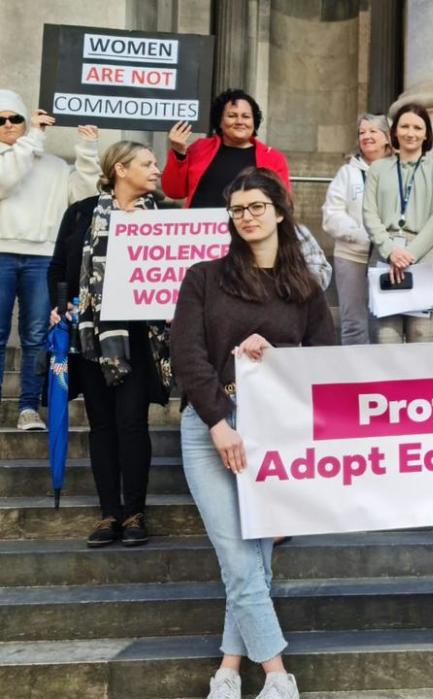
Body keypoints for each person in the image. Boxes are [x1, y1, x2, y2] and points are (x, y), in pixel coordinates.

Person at [171, 168, 333, 699]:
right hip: (209, 428)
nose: (247, 217)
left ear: (280, 212)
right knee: (239, 556)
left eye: (256, 207)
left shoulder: (303, 289)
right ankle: (278, 676)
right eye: (238, 209)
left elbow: (328, 364)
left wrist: (277, 356)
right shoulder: (204, 277)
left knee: (254, 558)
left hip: (274, 432)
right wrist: (218, 421)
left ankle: (228, 667)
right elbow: (187, 356)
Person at [47, 141, 170, 548]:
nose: (157, 169)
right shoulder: (82, 212)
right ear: (120, 169)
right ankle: (108, 515)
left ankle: (134, 512)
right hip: (88, 334)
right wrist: (59, 305)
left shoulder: (164, 216)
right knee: (101, 425)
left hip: (136, 337)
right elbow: (58, 267)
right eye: (148, 163)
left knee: (132, 423)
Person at [0, 89, 100, 431]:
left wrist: (87, 149)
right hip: (1, 253)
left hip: (41, 256)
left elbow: (85, 197)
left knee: (36, 335)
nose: (9, 125)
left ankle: (28, 407)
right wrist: (35, 138)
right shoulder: (13, 156)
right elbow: (5, 180)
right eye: (1, 119)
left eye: (16, 118)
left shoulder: (53, 165)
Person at [362, 101, 433, 343]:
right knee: (385, 339)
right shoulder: (378, 169)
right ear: (394, 132)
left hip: (425, 253)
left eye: (417, 127)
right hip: (384, 253)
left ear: (426, 134)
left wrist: (409, 254)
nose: (410, 133)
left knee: (423, 339)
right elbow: (369, 213)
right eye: (404, 126)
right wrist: (391, 251)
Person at [322, 114, 391, 344]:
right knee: (353, 323)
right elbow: (331, 215)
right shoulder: (347, 173)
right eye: (362, 132)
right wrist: (362, 234)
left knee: (388, 325)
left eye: (373, 131)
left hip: (391, 258)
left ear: (387, 137)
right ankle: (355, 378)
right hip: (352, 257)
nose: (367, 136)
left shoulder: (399, 170)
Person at [163, 88, 290, 208]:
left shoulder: (273, 158)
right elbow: (174, 192)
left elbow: (283, 203)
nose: (240, 121)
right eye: (232, 116)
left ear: (254, 121)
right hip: (200, 228)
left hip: (247, 228)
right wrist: (179, 153)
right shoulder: (199, 148)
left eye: (246, 116)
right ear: (220, 121)